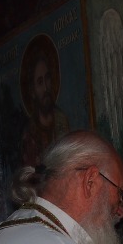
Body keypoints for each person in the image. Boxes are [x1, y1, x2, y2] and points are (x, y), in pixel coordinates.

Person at [20, 35, 70, 165]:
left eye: (47, 78)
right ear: (32, 91)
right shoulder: (30, 132)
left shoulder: (61, 120)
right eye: (40, 82)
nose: (46, 88)